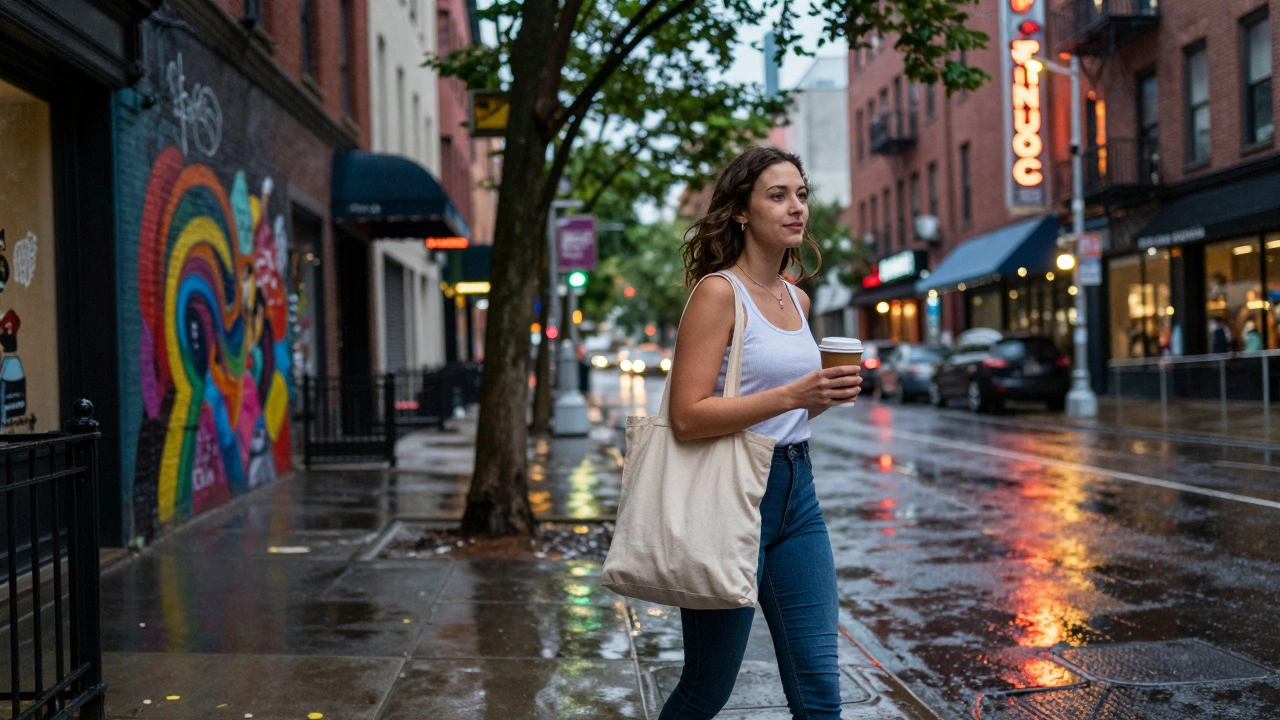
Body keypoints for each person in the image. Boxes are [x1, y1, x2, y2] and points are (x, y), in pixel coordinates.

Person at [661, 146, 862, 719]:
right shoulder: (718, 293)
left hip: (798, 494)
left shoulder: (797, 297)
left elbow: (784, 413)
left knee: (820, 685)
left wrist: (820, 398)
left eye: (801, 194)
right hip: (729, 499)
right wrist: (794, 394)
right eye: (777, 195)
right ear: (743, 212)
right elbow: (687, 415)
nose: (796, 207)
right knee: (707, 689)